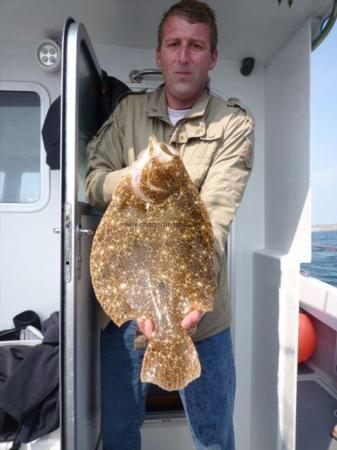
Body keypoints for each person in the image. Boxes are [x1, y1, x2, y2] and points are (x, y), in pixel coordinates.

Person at [85, 1, 255, 449]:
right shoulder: (127, 115)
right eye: (174, 44)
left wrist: (192, 301)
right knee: (120, 433)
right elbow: (91, 180)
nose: (184, 56)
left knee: (214, 436)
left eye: (196, 46)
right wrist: (134, 179)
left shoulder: (233, 124)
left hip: (204, 317)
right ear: (159, 54)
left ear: (212, 57)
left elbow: (216, 218)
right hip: (128, 306)